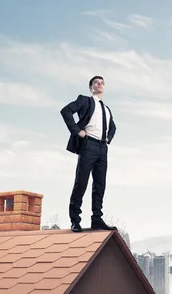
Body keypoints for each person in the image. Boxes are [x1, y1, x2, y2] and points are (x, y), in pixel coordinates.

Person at [60, 75, 117, 232]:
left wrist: (108, 138)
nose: (99, 84)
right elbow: (66, 111)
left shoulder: (107, 109)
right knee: (81, 182)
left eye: (102, 83)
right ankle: (75, 220)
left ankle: (96, 219)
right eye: (96, 83)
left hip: (102, 148)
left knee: (100, 184)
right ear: (91, 87)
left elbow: (113, 127)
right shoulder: (85, 100)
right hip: (88, 144)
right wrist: (77, 131)